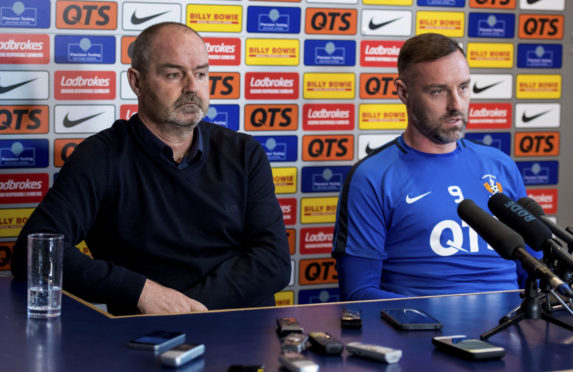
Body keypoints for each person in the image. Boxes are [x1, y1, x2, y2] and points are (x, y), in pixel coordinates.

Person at [11, 22, 291, 315]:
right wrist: (140, 291)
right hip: (147, 340)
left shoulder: (245, 153)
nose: (192, 87)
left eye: (201, 74)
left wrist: (186, 307)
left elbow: (273, 261)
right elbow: (33, 254)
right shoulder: (100, 156)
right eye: (173, 74)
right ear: (136, 82)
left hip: (241, 332)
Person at [332, 33, 540, 300]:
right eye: (438, 91)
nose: (456, 105)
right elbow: (358, 293)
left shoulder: (500, 165)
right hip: (426, 335)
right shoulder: (372, 177)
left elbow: (536, 275)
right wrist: (443, 318)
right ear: (403, 93)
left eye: (463, 87)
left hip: (512, 330)